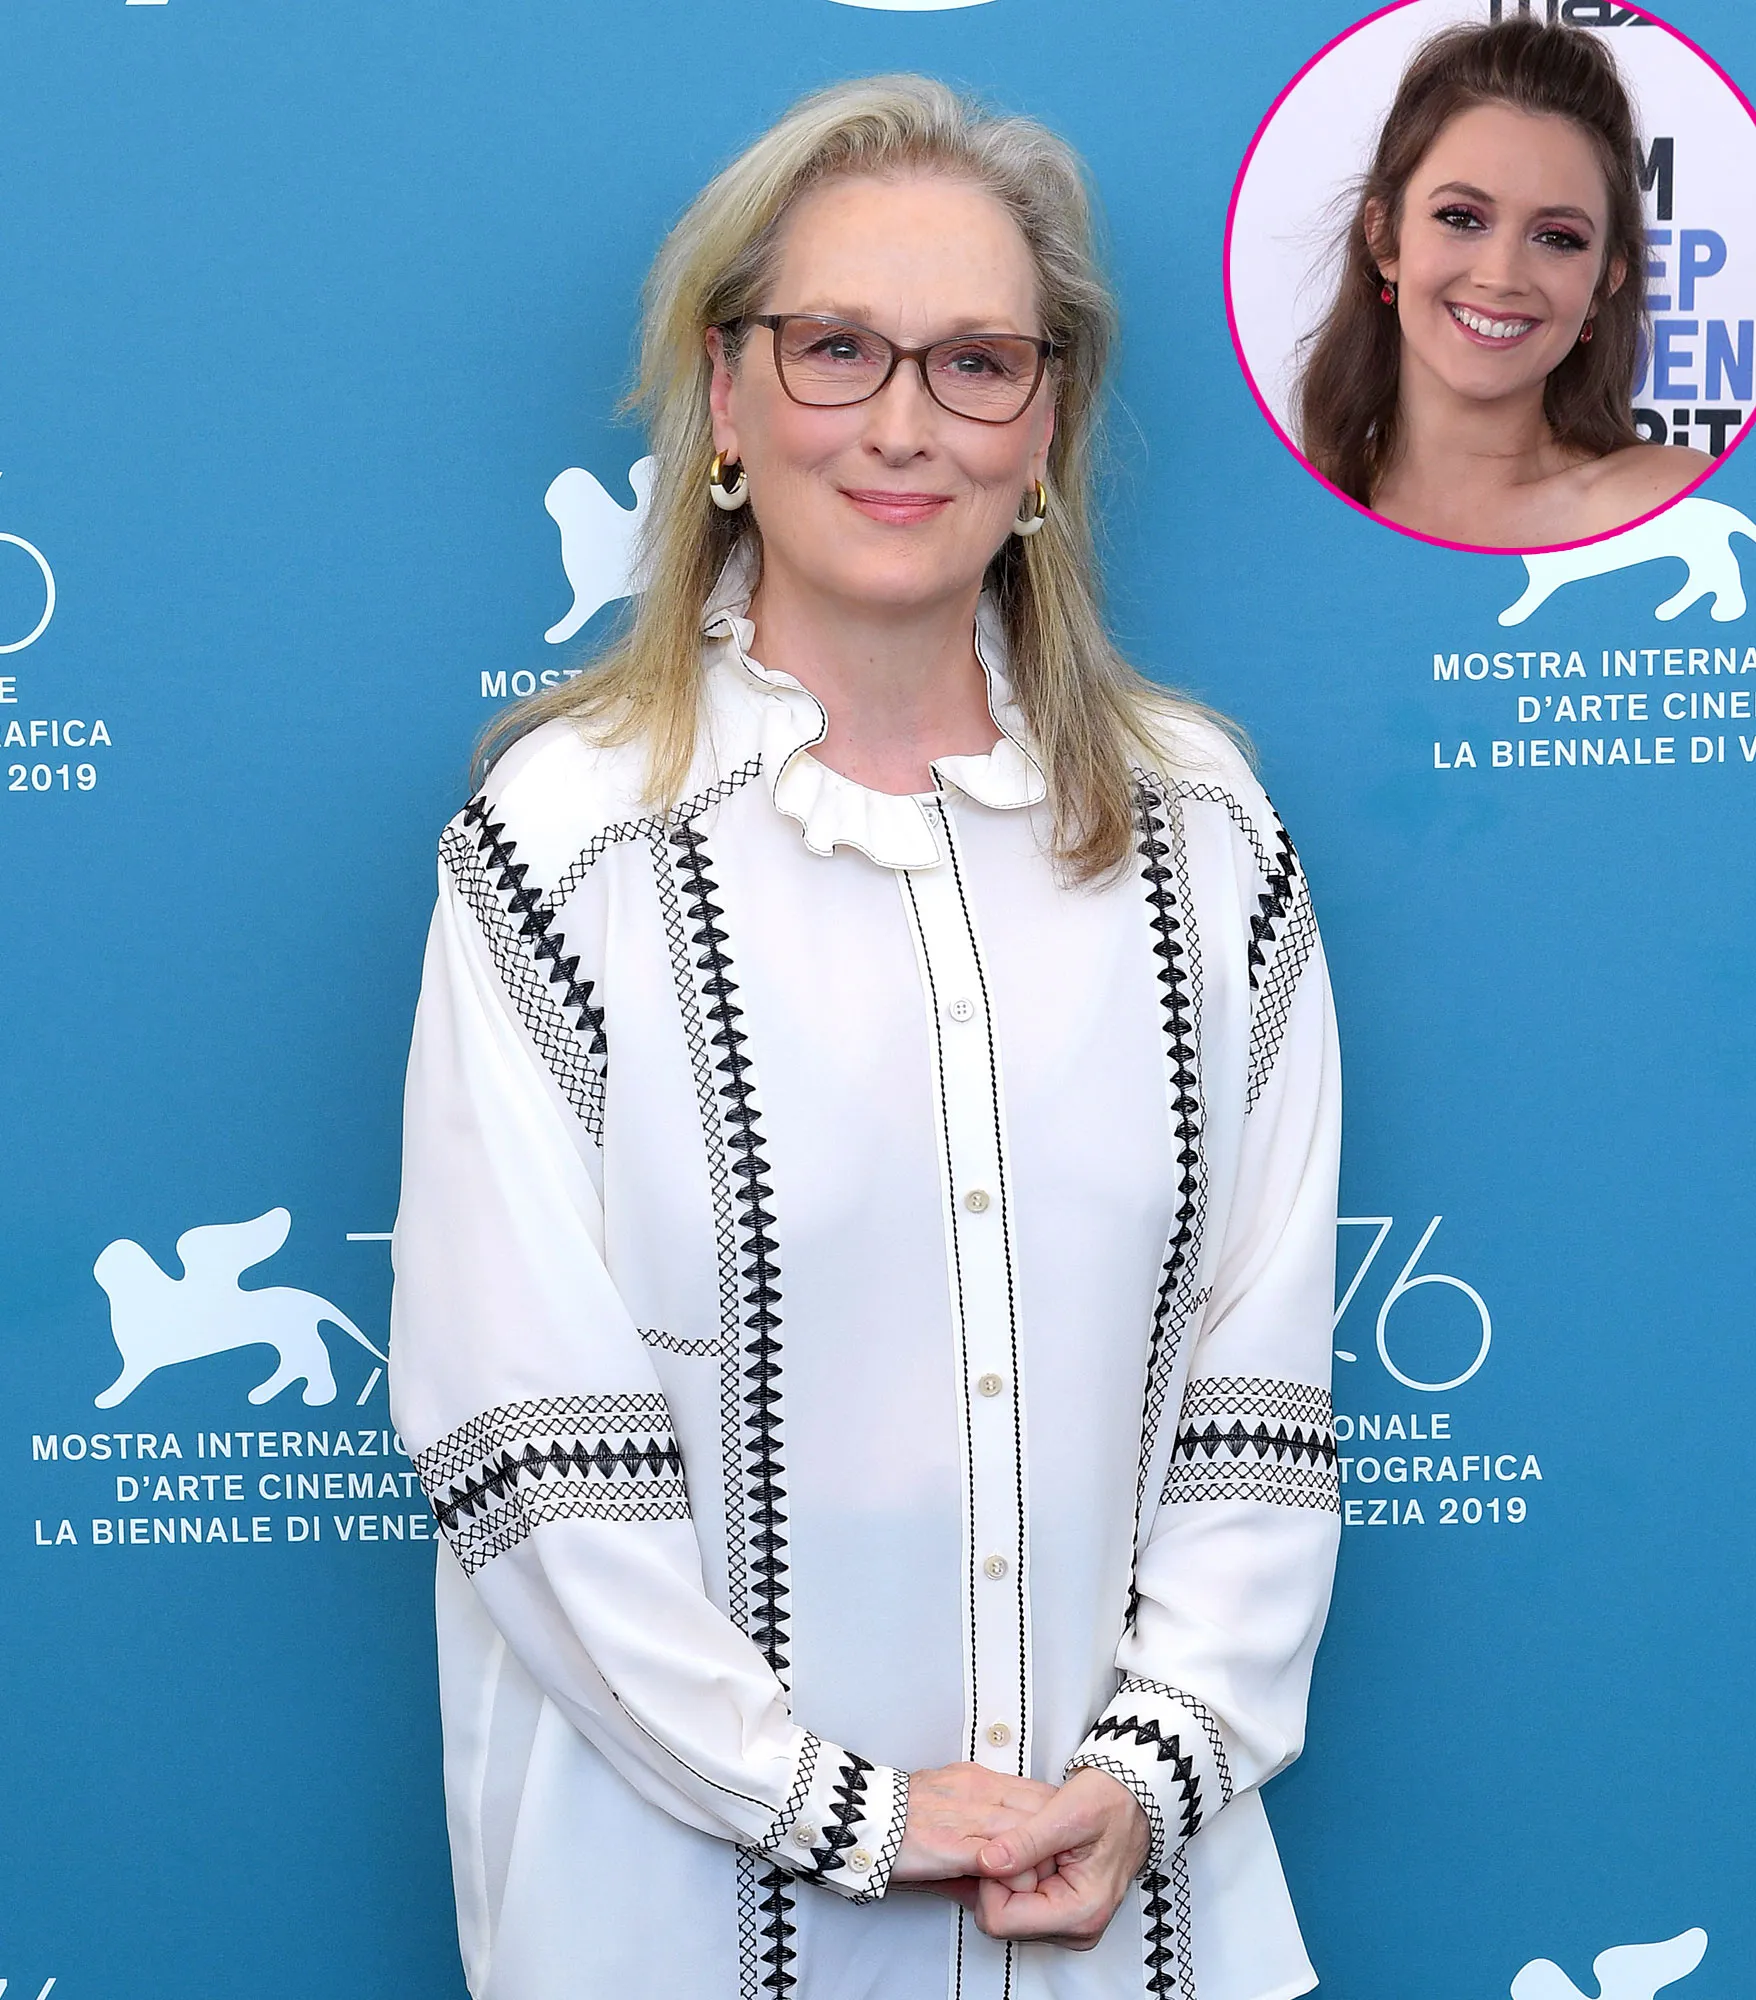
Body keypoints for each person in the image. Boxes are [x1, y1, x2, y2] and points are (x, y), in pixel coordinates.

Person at [389, 74, 1342, 2000]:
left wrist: (1145, 1775)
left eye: (976, 362)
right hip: (673, 1926)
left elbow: (1256, 1398)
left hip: (1113, 1923)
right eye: (834, 348)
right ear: (727, 400)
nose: (902, 423)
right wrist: (844, 1811)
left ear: (1046, 425)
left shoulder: (1206, 835)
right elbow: (524, 1439)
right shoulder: (561, 846)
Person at [1297, 16, 1712, 550]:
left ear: (1605, 282)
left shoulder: (1676, 509)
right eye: (1461, 218)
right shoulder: (1284, 512)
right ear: (1383, 237)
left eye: (1557, 238)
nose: (1500, 276)